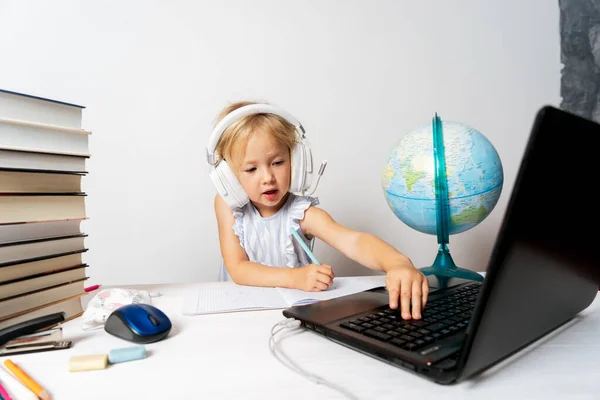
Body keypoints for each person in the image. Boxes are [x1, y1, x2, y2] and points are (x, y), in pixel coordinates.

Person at [209, 101, 428, 320]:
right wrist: (296, 278)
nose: (268, 178)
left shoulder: (302, 214)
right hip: (238, 317)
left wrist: (398, 263)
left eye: (277, 162)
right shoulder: (229, 207)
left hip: (286, 317)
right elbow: (238, 268)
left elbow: (354, 241)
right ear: (228, 178)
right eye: (251, 169)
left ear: (296, 162)